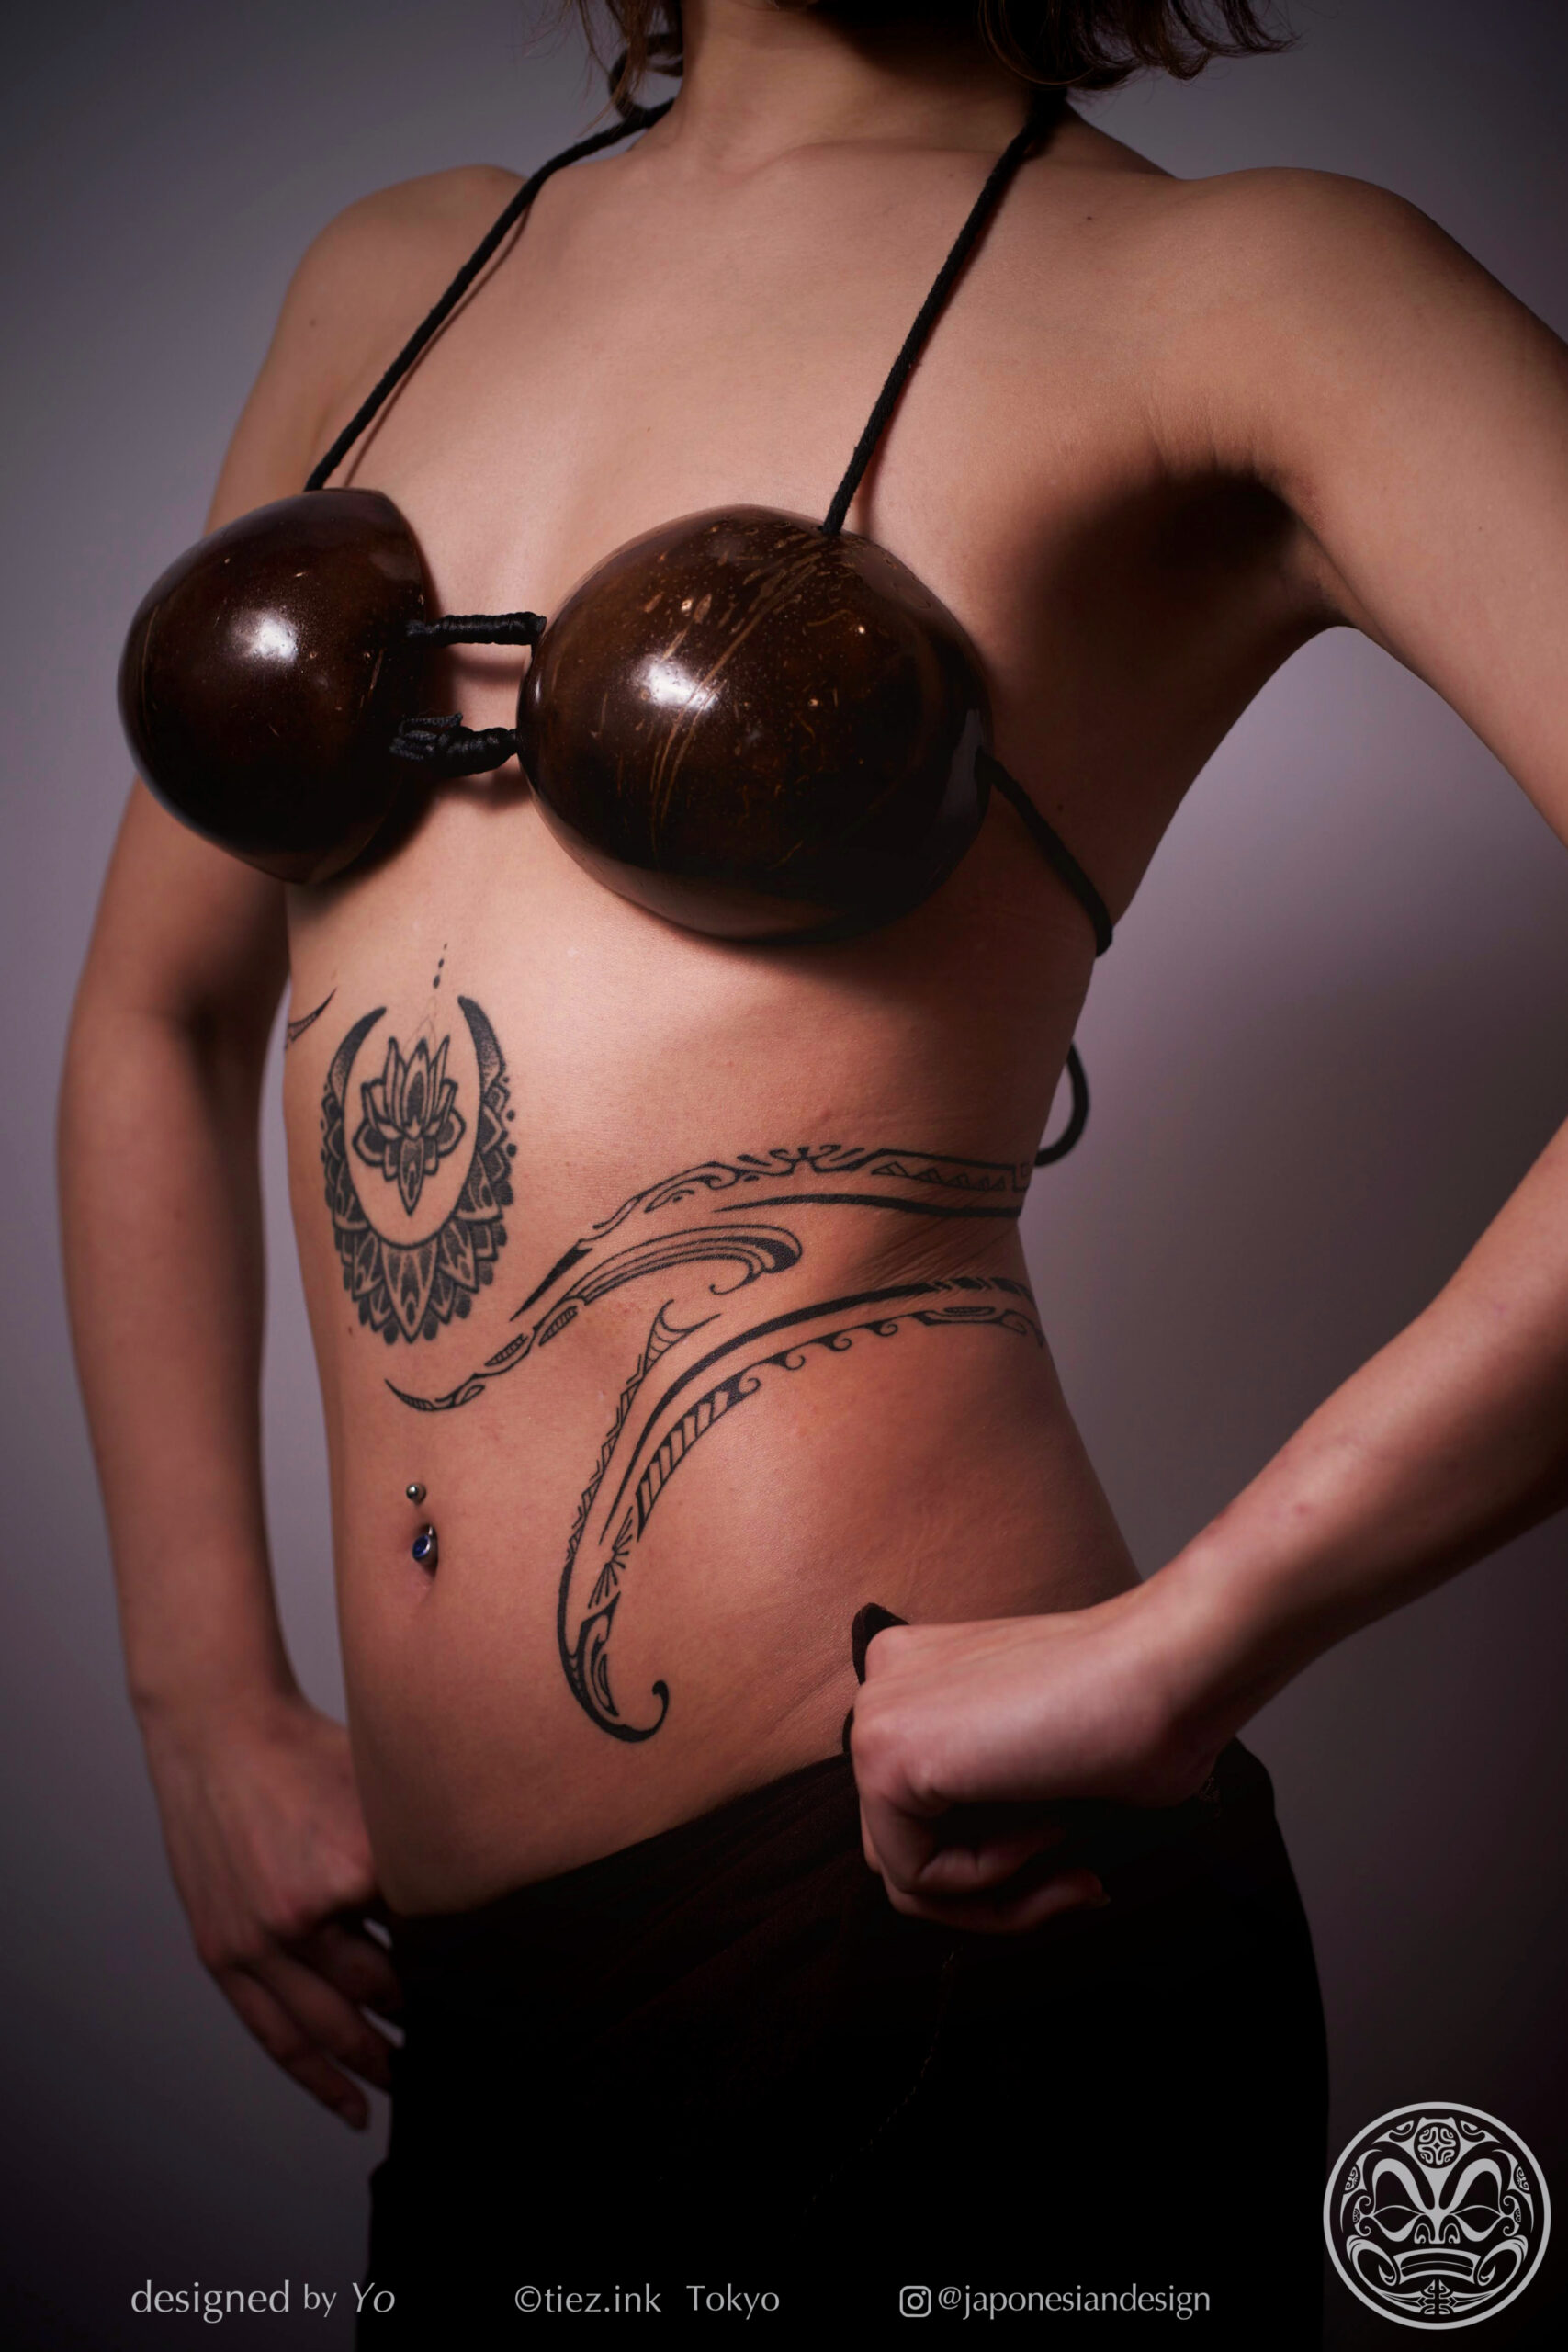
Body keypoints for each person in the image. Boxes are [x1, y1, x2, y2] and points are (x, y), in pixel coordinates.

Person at [60, 0, 1568, 2339]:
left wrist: (1202, 1635)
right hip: (485, 2016)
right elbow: (154, 1017)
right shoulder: (395, 273)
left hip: (929, 1920)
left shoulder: (1241, 292)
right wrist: (195, 1691)